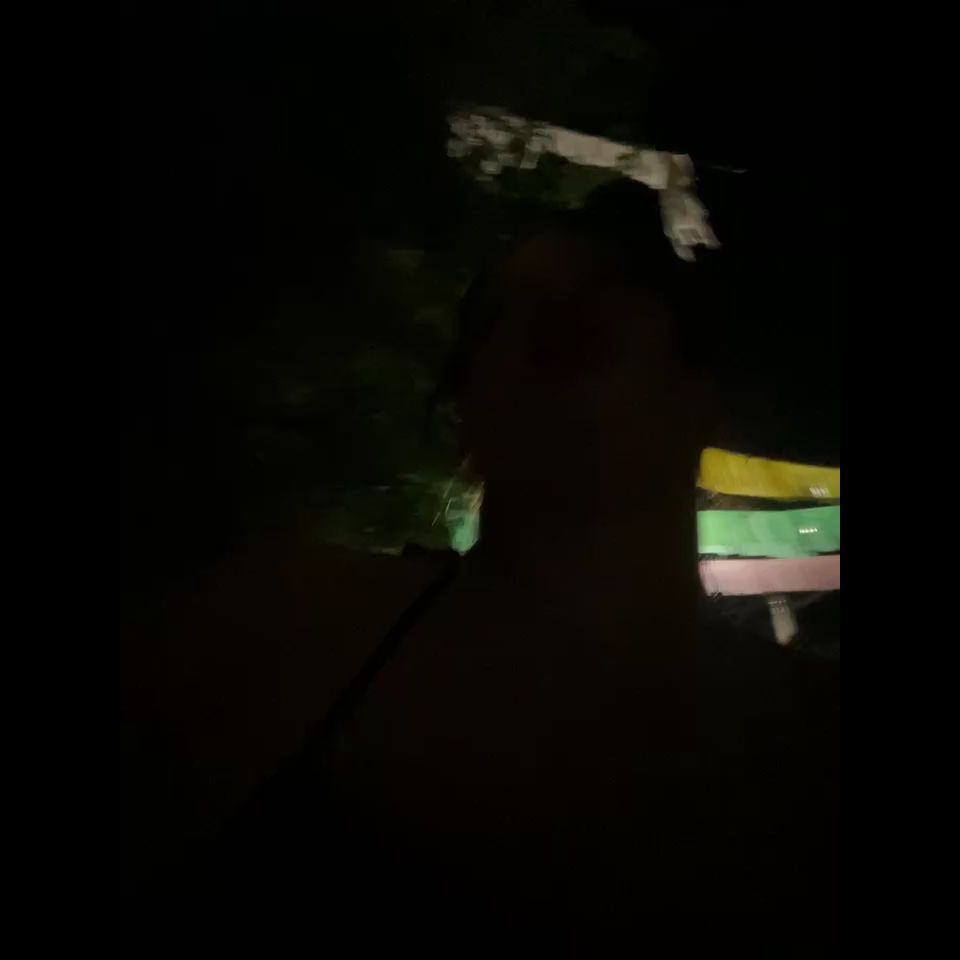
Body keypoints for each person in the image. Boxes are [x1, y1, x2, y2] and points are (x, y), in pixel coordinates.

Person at [123, 185, 838, 951]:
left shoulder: (814, 745)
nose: (558, 312)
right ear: (465, 422)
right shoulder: (275, 630)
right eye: (506, 312)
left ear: (703, 397)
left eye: (606, 291)